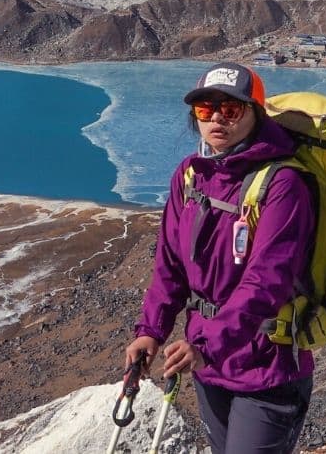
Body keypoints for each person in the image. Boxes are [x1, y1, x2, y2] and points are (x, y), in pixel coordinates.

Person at [124, 62, 316, 453]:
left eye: (230, 110)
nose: (216, 119)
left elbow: (267, 282)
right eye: (204, 109)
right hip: (208, 366)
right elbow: (170, 264)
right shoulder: (191, 176)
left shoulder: (284, 184)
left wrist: (207, 344)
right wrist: (151, 330)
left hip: (267, 369)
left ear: (254, 113)